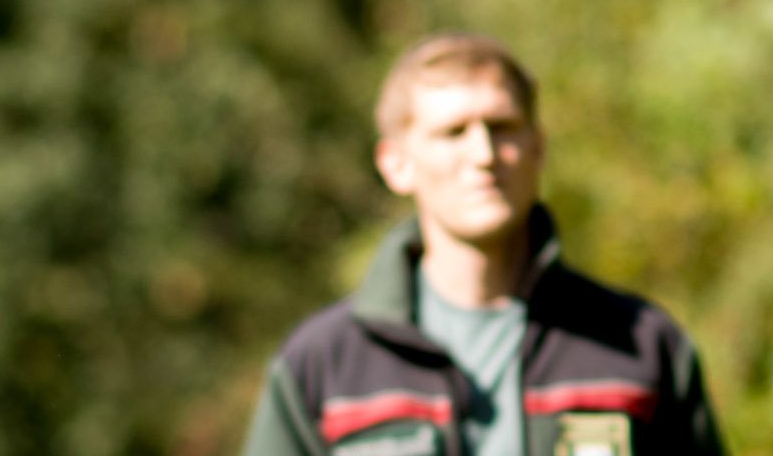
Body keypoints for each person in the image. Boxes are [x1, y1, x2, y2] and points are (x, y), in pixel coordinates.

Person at [242, 35, 726, 456]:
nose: (483, 155)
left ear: (538, 148)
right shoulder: (325, 367)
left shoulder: (639, 346)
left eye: (502, 128)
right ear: (396, 164)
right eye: (453, 133)